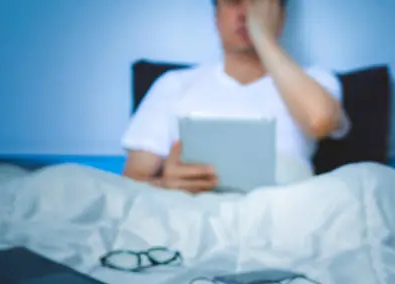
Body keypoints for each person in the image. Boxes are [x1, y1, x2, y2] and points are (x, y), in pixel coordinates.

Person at [121, 0, 351, 193]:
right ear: (216, 17)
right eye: (233, 2)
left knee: (372, 178)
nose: (245, 13)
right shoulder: (174, 84)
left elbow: (319, 120)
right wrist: (166, 185)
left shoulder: (315, 79)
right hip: (197, 213)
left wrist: (262, 34)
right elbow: (130, 182)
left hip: (284, 214)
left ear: (280, 17)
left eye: (257, 3)